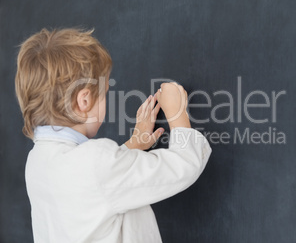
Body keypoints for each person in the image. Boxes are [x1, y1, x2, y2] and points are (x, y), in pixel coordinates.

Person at [15, 27, 212, 243]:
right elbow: (183, 167)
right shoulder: (95, 163)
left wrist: (133, 145)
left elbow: (93, 186)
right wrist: (177, 113)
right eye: (105, 93)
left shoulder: (37, 160)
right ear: (84, 101)